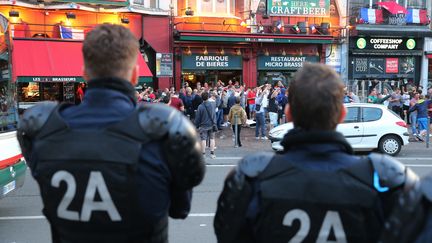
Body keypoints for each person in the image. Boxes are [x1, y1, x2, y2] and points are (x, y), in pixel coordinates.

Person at [17, 24, 205, 243]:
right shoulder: (163, 133)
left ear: (85, 74)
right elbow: (179, 209)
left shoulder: (42, 130)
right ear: (135, 75)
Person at [214, 63, 420, 243]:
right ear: (342, 114)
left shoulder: (252, 178)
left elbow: (229, 234)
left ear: (289, 113)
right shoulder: (385, 179)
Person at [195, 91, 217, 159]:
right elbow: (214, 114)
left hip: (203, 125)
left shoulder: (200, 106)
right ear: (208, 97)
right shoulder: (212, 104)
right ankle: (212, 153)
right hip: (211, 124)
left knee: (203, 139)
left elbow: (198, 117)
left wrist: (197, 125)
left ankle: (203, 154)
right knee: (212, 139)